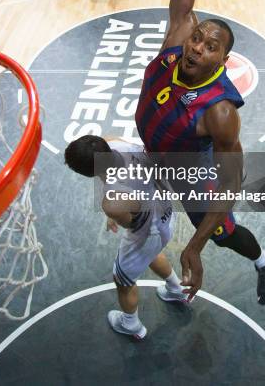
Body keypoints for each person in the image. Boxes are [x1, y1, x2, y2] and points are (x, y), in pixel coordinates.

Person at [135, 0, 265, 304]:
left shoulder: (218, 112)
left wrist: (193, 246)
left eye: (210, 46)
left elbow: (233, 181)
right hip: (157, 157)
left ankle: (264, 261)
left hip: (195, 177)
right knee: (127, 201)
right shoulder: (178, 39)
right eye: (198, 37)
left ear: (223, 61)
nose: (197, 46)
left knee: (222, 233)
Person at [65, 135, 188, 339]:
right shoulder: (116, 143)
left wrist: (115, 213)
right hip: (166, 210)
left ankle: (131, 324)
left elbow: (130, 222)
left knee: (123, 280)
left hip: (149, 232)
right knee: (151, 254)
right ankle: (176, 289)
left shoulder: (112, 200)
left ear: (87, 174)